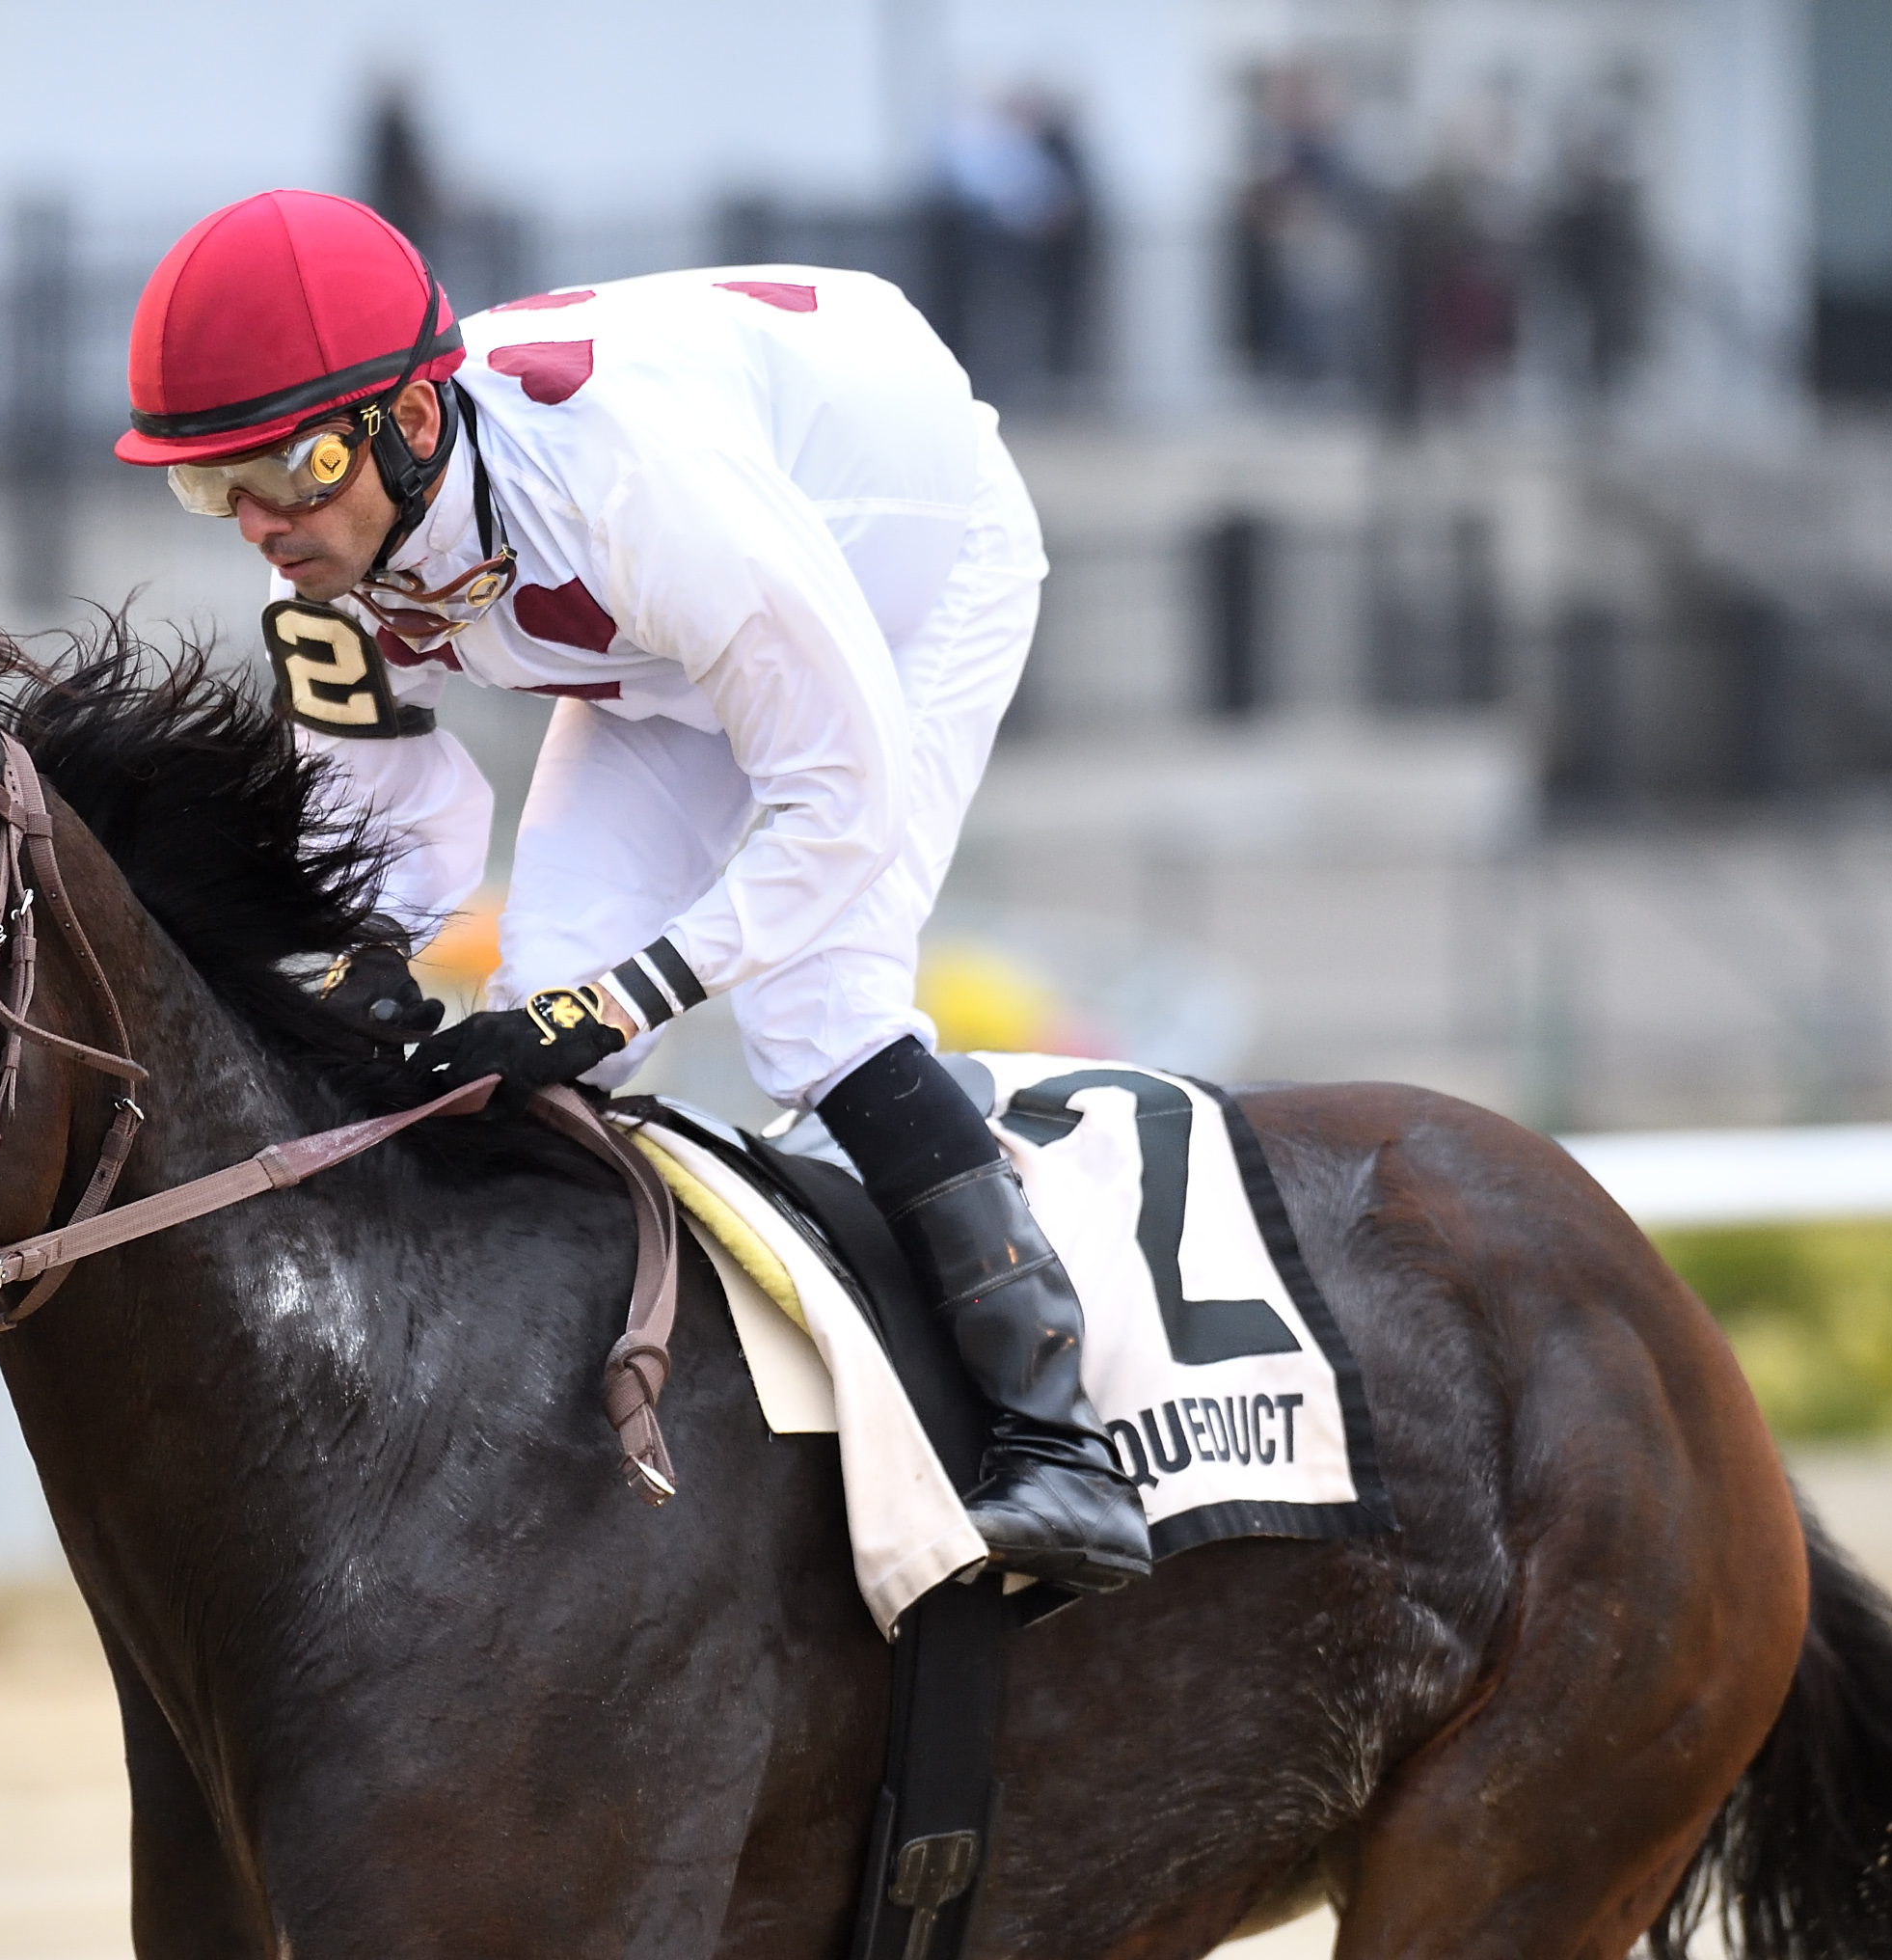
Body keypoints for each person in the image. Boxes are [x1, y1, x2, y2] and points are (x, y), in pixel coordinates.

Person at [114, 191, 1149, 1594]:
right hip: (661, 651)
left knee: (812, 1001)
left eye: (285, 470)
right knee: (539, 992)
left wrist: (626, 999)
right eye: (206, 485)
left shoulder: (637, 494)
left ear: (412, 424)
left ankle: (1062, 1443)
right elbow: (389, 811)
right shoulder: (329, 553)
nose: (256, 524)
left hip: (903, 559)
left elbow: (839, 808)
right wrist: (371, 962)